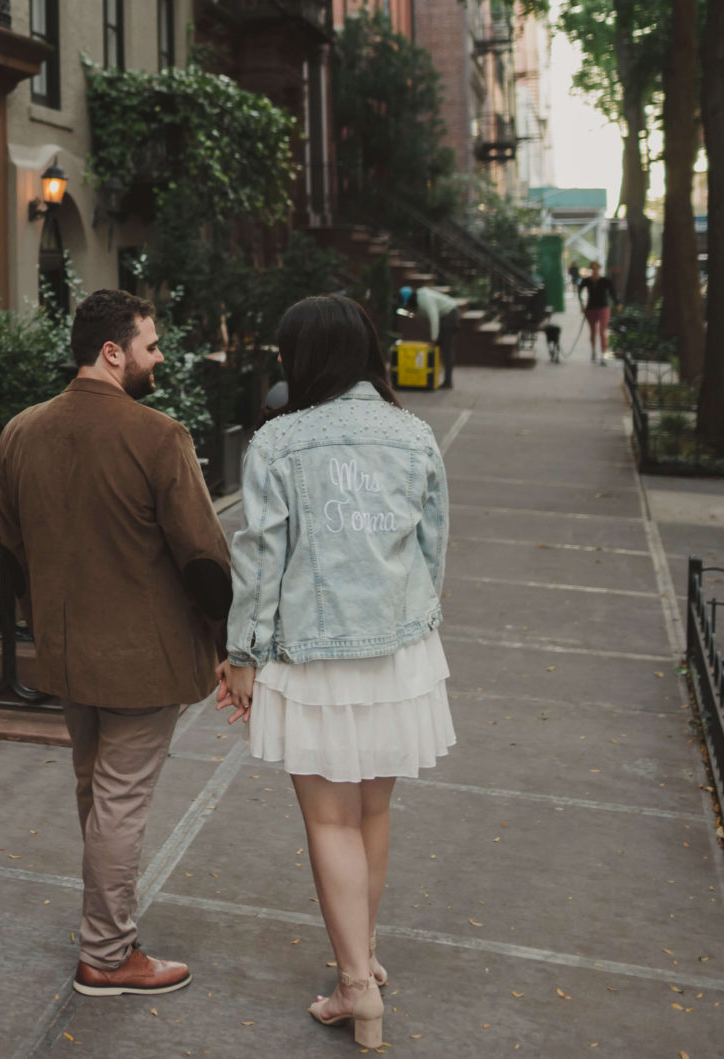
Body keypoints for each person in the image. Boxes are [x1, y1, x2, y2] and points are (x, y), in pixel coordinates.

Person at [219, 295, 453, 1051]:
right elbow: (433, 549)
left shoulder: (279, 442)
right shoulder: (415, 435)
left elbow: (260, 559)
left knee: (329, 819)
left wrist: (242, 654)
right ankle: (366, 955)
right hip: (396, 653)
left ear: (301, 357)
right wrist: (413, 619)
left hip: (313, 654)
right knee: (372, 813)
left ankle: (355, 984)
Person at [0, 289, 234, 999]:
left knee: (95, 790)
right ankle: (106, 951)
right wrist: (226, 644)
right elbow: (204, 560)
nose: (159, 358)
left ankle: (111, 922)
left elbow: (11, 553)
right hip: (142, 660)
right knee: (121, 799)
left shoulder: (20, 431)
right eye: (151, 346)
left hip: (68, 652)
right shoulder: (159, 435)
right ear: (113, 351)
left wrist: (41, 625)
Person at [412, 284, 461, 391]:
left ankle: (448, 381)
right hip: (447, 316)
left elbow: (434, 317)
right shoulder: (420, 298)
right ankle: (433, 379)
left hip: (450, 316)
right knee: (440, 349)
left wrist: (434, 338)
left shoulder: (424, 298)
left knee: (446, 349)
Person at [580, 263, 616, 364]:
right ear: (591, 269)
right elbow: (579, 291)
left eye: (596, 268)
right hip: (591, 308)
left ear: (599, 269)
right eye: (593, 268)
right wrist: (582, 305)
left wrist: (617, 303)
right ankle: (593, 351)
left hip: (603, 308)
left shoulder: (605, 281)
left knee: (602, 332)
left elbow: (612, 292)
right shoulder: (587, 281)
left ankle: (603, 354)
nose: (595, 270)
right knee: (593, 332)